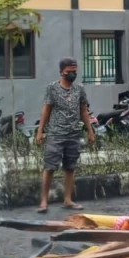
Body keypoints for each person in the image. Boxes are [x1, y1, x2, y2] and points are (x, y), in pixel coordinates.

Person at [35, 58, 95, 213]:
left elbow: (83, 111)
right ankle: (43, 201)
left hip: (73, 134)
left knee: (70, 167)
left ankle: (68, 200)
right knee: (49, 167)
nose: (72, 75)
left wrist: (90, 130)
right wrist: (40, 131)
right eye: (69, 72)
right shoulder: (52, 88)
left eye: (74, 72)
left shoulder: (79, 89)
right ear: (61, 71)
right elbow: (46, 110)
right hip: (55, 134)